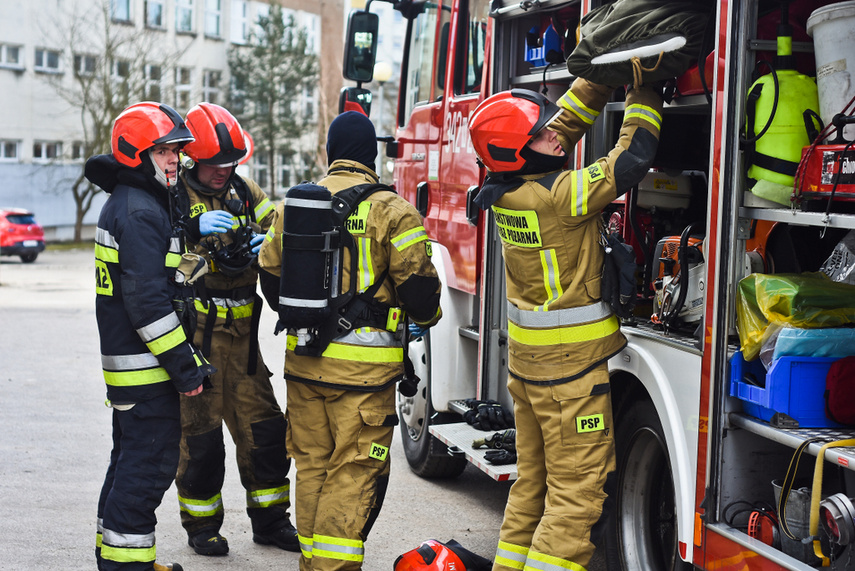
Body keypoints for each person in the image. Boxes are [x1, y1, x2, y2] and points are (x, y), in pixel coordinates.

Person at [468, 78, 664, 571]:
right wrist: (643, 87)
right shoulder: (562, 197)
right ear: (518, 152)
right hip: (570, 377)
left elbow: (555, 135)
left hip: (532, 371)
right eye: (541, 134)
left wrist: (594, 82)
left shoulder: (506, 192)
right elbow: (633, 156)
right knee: (577, 496)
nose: (554, 135)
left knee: (533, 485)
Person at [257, 110, 443, 570]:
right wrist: (426, 317)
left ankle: (311, 564)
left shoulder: (293, 206)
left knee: (312, 467)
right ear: (371, 156)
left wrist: (304, 319)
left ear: (331, 153)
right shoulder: (394, 211)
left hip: (304, 364)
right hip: (363, 379)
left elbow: (268, 270)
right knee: (354, 472)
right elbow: (419, 289)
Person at [86, 101, 215, 571]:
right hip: (147, 371)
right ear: (136, 153)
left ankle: (113, 555)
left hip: (133, 372)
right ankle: (127, 565)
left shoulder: (133, 202)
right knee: (147, 469)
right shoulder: (139, 212)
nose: (175, 161)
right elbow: (148, 307)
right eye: (164, 152)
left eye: (177, 151)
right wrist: (186, 368)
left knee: (128, 462)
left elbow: (157, 281)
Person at [173, 102, 297, 556]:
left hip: (245, 345)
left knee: (265, 433)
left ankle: (271, 522)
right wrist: (193, 237)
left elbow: (277, 225)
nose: (223, 171)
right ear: (191, 159)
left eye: (231, 163)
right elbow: (164, 270)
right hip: (198, 344)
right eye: (214, 165)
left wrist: (270, 243)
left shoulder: (244, 190)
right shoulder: (173, 199)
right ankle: (202, 527)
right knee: (201, 445)